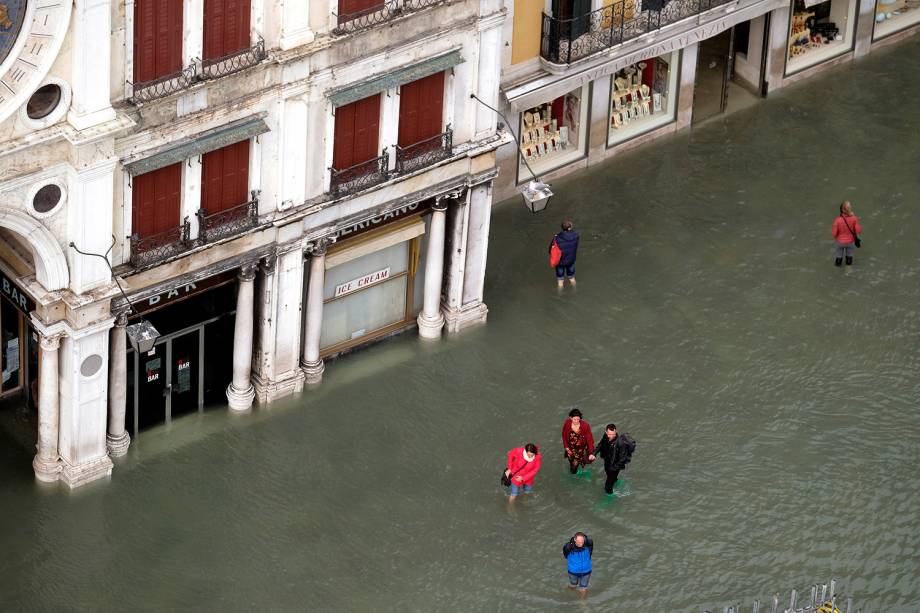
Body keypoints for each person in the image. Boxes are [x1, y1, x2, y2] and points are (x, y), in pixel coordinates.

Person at [593, 424, 634, 495]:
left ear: (616, 432)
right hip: (607, 461)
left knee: (607, 487)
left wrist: (614, 467)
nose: (611, 436)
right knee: (609, 475)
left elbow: (623, 458)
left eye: (613, 434)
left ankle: (609, 499)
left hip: (615, 466)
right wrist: (594, 454)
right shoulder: (605, 436)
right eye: (609, 434)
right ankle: (615, 480)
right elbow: (600, 445)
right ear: (606, 432)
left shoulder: (620, 443)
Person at [561, 408, 595, 475]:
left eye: (578, 419)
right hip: (570, 449)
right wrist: (566, 447)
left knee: (574, 467)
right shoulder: (567, 423)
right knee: (571, 461)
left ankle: (575, 472)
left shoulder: (585, 425)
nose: (576, 421)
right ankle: (573, 468)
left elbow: (589, 439)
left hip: (579, 450)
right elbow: (564, 435)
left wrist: (591, 452)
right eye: (574, 419)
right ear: (570, 418)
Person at [549, 220, 580, 288]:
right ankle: (575, 289)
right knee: (572, 278)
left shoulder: (556, 238)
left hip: (560, 262)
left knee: (560, 280)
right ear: (569, 228)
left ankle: (560, 293)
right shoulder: (576, 236)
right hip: (570, 261)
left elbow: (550, 250)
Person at [831, 201, 862, 267]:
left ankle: (838, 270)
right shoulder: (854, 218)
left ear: (842, 210)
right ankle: (848, 271)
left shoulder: (837, 220)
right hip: (850, 242)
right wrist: (856, 220)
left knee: (839, 257)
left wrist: (838, 237)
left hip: (840, 242)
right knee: (849, 257)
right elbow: (858, 231)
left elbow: (834, 234)